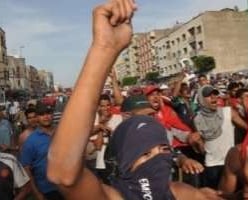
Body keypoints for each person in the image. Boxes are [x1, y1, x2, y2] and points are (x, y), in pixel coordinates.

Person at [47, 1, 223, 199]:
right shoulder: (117, 196)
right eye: (145, 154)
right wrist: (105, 48)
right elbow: (63, 173)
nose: (159, 158)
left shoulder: (181, 193)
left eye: (163, 149)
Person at [20, 103, 64, 200]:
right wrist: (37, 193)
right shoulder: (30, 141)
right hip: (47, 190)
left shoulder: (63, 132)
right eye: (42, 114)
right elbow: (26, 169)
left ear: (52, 114)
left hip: (67, 186)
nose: (46, 117)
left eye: (48, 113)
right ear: (37, 118)